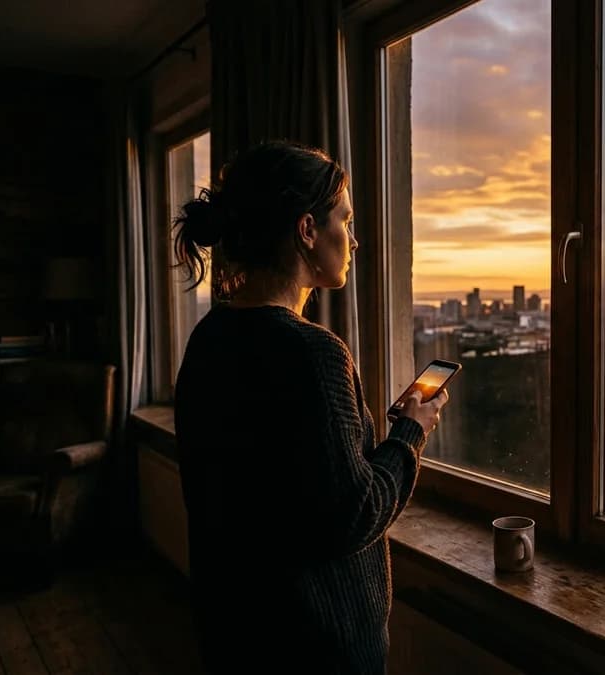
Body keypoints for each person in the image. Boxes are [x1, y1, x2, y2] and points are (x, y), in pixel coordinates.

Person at [172, 140, 448, 673]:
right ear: (306, 231)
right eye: (344, 220)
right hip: (313, 647)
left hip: (234, 630)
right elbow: (353, 513)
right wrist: (410, 434)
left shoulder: (209, 337)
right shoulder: (311, 353)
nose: (355, 239)